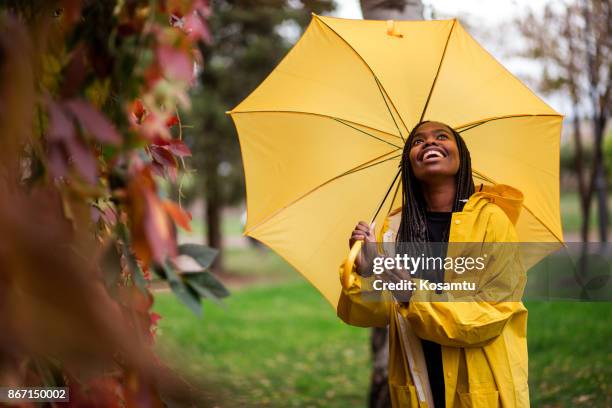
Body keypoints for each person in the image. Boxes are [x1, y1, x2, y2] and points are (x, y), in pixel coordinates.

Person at [338, 121, 529, 407]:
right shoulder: (394, 229)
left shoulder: (491, 221)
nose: (429, 143)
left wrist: (411, 293)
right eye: (418, 141)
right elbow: (375, 314)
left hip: (480, 387)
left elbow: (492, 313)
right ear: (408, 163)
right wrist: (369, 270)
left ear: (461, 156)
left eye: (442, 137)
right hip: (418, 384)